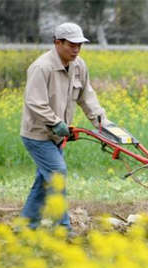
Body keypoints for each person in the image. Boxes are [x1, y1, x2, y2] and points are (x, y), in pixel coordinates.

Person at [20, 22, 108, 229]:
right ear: (57, 42)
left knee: (44, 182)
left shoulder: (79, 65)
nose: (76, 49)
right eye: (72, 45)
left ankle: (26, 225)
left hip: (59, 135)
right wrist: (56, 122)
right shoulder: (41, 67)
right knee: (57, 173)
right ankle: (63, 229)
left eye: (80, 45)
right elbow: (34, 102)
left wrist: (102, 123)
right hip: (38, 134)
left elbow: (87, 96)